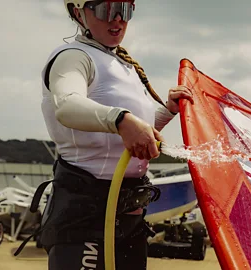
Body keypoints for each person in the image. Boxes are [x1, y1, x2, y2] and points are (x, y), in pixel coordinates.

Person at [13, 0, 193, 269]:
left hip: (129, 216)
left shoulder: (122, 63)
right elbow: (68, 105)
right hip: (86, 216)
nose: (118, 19)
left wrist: (167, 111)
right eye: (107, 9)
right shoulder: (73, 56)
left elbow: (127, 135)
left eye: (126, 9)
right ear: (78, 12)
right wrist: (122, 120)